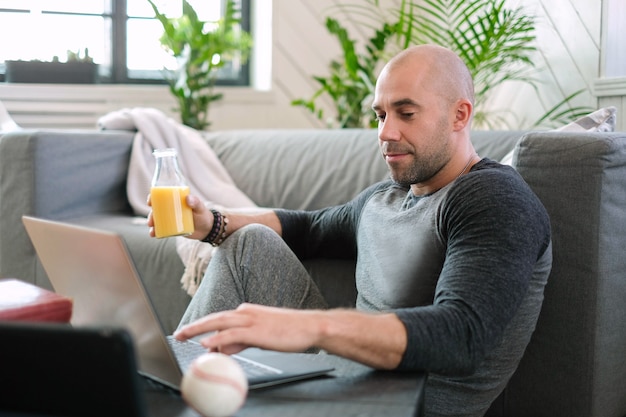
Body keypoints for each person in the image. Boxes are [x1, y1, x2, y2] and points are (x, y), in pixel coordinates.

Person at [148, 44, 552, 417]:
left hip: (404, 403)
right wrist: (212, 223)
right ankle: (164, 387)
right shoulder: (383, 198)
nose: (385, 133)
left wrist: (309, 326)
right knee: (249, 242)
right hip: (341, 376)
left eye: (406, 113)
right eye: (380, 115)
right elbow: (308, 228)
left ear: (460, 115)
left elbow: (462, 335)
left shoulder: (494, 198)